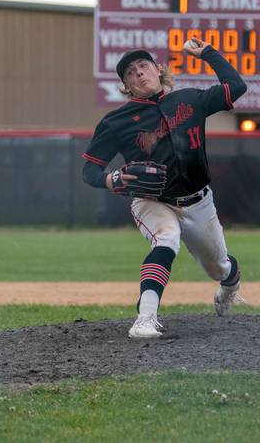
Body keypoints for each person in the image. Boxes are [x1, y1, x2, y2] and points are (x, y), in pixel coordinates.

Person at [81, 38, 247, 338]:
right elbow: (89, 170)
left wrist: (208, 53)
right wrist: (111, 179)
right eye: (130, 73)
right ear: (127, 87)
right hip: (151, 201)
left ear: (158, 70)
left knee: (218, 267)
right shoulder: (115, 122)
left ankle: (229, 284)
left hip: (198, 202)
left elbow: (236, 87)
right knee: (166, 240)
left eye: (143, 66)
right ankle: (145, 319)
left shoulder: (190, 100)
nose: (139, 74)